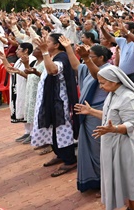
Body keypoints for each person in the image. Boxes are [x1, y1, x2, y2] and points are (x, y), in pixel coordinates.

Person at [74, 66, 134, 210]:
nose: (101, 86)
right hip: (113, 142)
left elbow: (131, 124)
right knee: (124, 179)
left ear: (114, 80)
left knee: (132, 181)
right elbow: (108, 116)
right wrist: (91, 111)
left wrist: (114, 129)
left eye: (103, 83)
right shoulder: (113, 94)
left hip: (126, 146)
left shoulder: (129, 97)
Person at [31, 34, 79, 177]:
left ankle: (69, 159)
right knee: (52, 127)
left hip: (60, 100)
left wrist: (44, 52)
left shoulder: (62, 57)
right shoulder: (52, 56)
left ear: (56, 45)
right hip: (50, 99)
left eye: (48, 41)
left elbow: (53, 71)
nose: (45, 42)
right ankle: (59, 154)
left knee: (61, 128)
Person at [75, 44, 113, 192]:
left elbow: (98, 76)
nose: (88, 60)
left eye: (91, 57)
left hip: (98, 112)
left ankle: (105, 183)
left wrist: (85, 58)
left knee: (99, 148)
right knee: (91, 147)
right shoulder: (87, 66)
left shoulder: (109, 70)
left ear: (101, 58)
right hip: (88, 112)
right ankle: (95, 180)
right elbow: (75, 66)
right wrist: (67, 49)